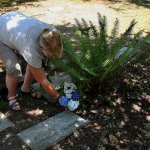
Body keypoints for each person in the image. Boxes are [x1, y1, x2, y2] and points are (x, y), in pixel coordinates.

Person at [0, 11, 63, 111]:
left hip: (13, 18)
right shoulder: (31, 49)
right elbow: (42, 80)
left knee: (35, 63)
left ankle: (25, 88)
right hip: (2, 31)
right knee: (14, 68)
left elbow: (35, 64)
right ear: (42, 48)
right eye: (50, 54)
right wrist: (59, 97)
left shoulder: (53, 32)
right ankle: (11, 96)